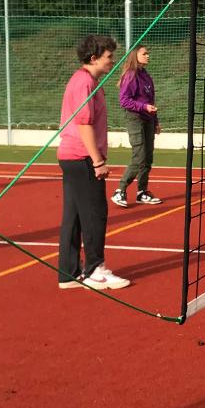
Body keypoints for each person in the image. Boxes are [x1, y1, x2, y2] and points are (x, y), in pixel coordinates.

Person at [57, 34, 131, 291]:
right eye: (109, 56)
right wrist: (97, 161)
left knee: (74, 216)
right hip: (82, 158)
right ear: (93, 58)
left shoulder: (87, 81)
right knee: (94, 215)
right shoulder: (84, 83)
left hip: (73, 157)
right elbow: (84, 123)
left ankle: (68, 273)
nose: (113, 60)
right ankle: (95, 271)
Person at [112, 44, 162, 207]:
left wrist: (156, 121)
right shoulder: (130, 75)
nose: (148, 56)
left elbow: (151, 101)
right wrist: (143, 107)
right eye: (144, 53)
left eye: (148, 53)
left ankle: (142, 192)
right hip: (135, 118)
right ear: (135, 56)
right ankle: (120, 190)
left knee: (148, 157)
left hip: (148, 119)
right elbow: (124, 101)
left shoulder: (146, 75)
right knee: (139, 156)